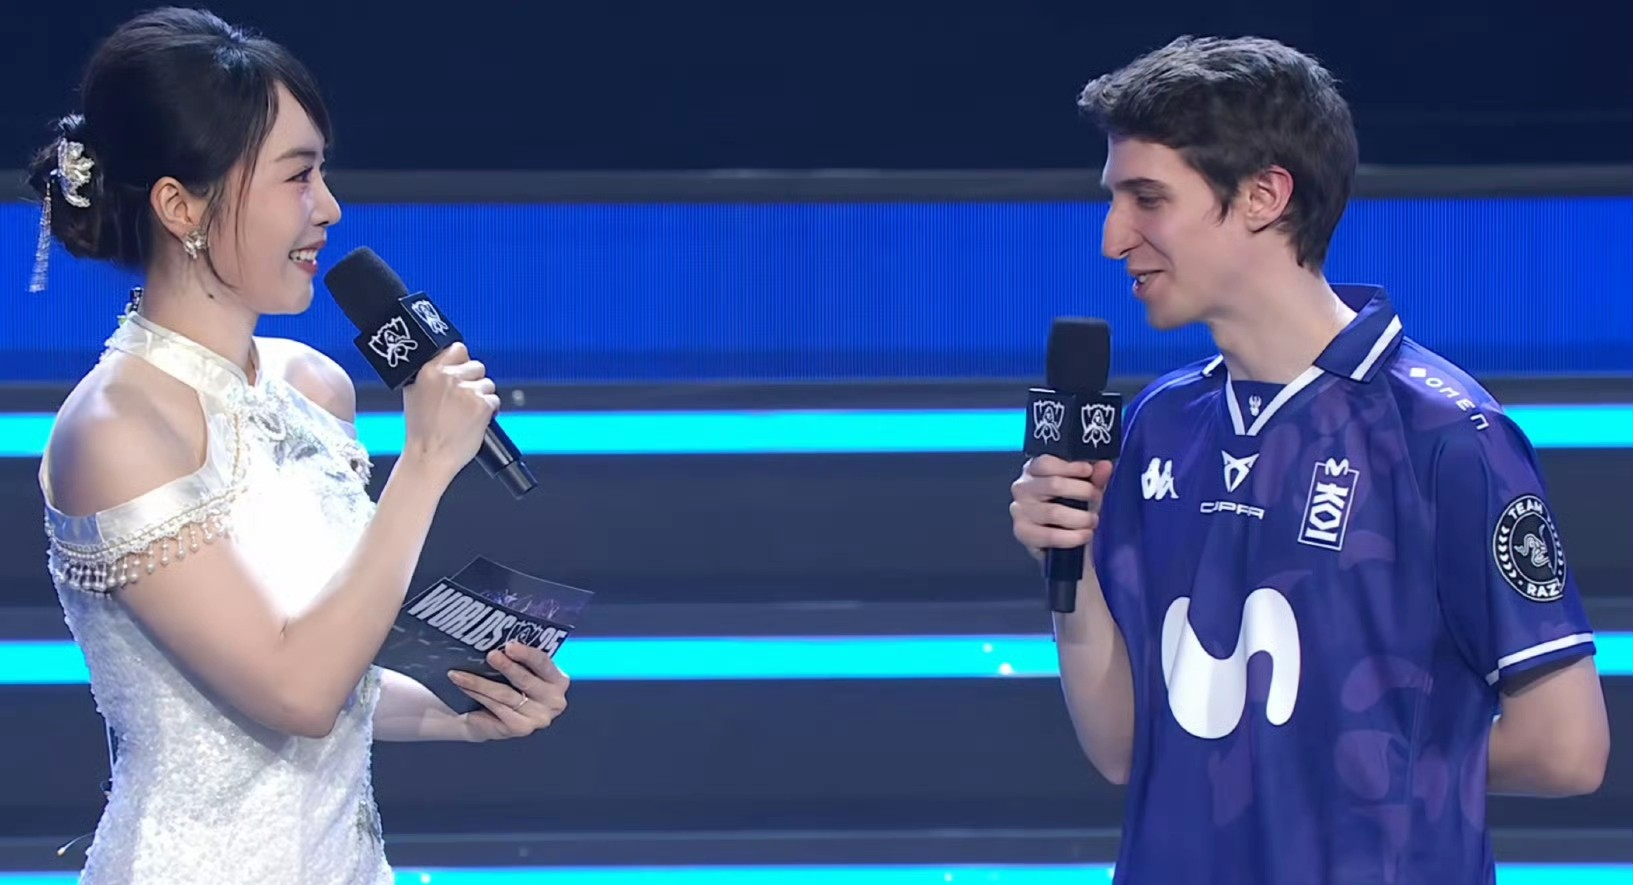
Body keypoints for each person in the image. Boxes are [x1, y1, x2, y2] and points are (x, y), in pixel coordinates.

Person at [1007, 35, 1609, 885]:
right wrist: (1066, 569)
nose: (1112, 237)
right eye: (1114, 199)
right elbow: (1125, 750)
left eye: (1147, 198)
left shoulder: (1443, 433)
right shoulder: (1159, 424)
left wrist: (1332, 773)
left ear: (1263, 195)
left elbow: (1566, 748)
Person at [30, 9, 570, 883]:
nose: (328, 208)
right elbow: (295, 691)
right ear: (180, 205)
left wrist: (462, 706)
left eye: (321, 172)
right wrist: (425, 465)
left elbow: (337, 680)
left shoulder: (311, 385)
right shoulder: (115, 428)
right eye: (297, 176)